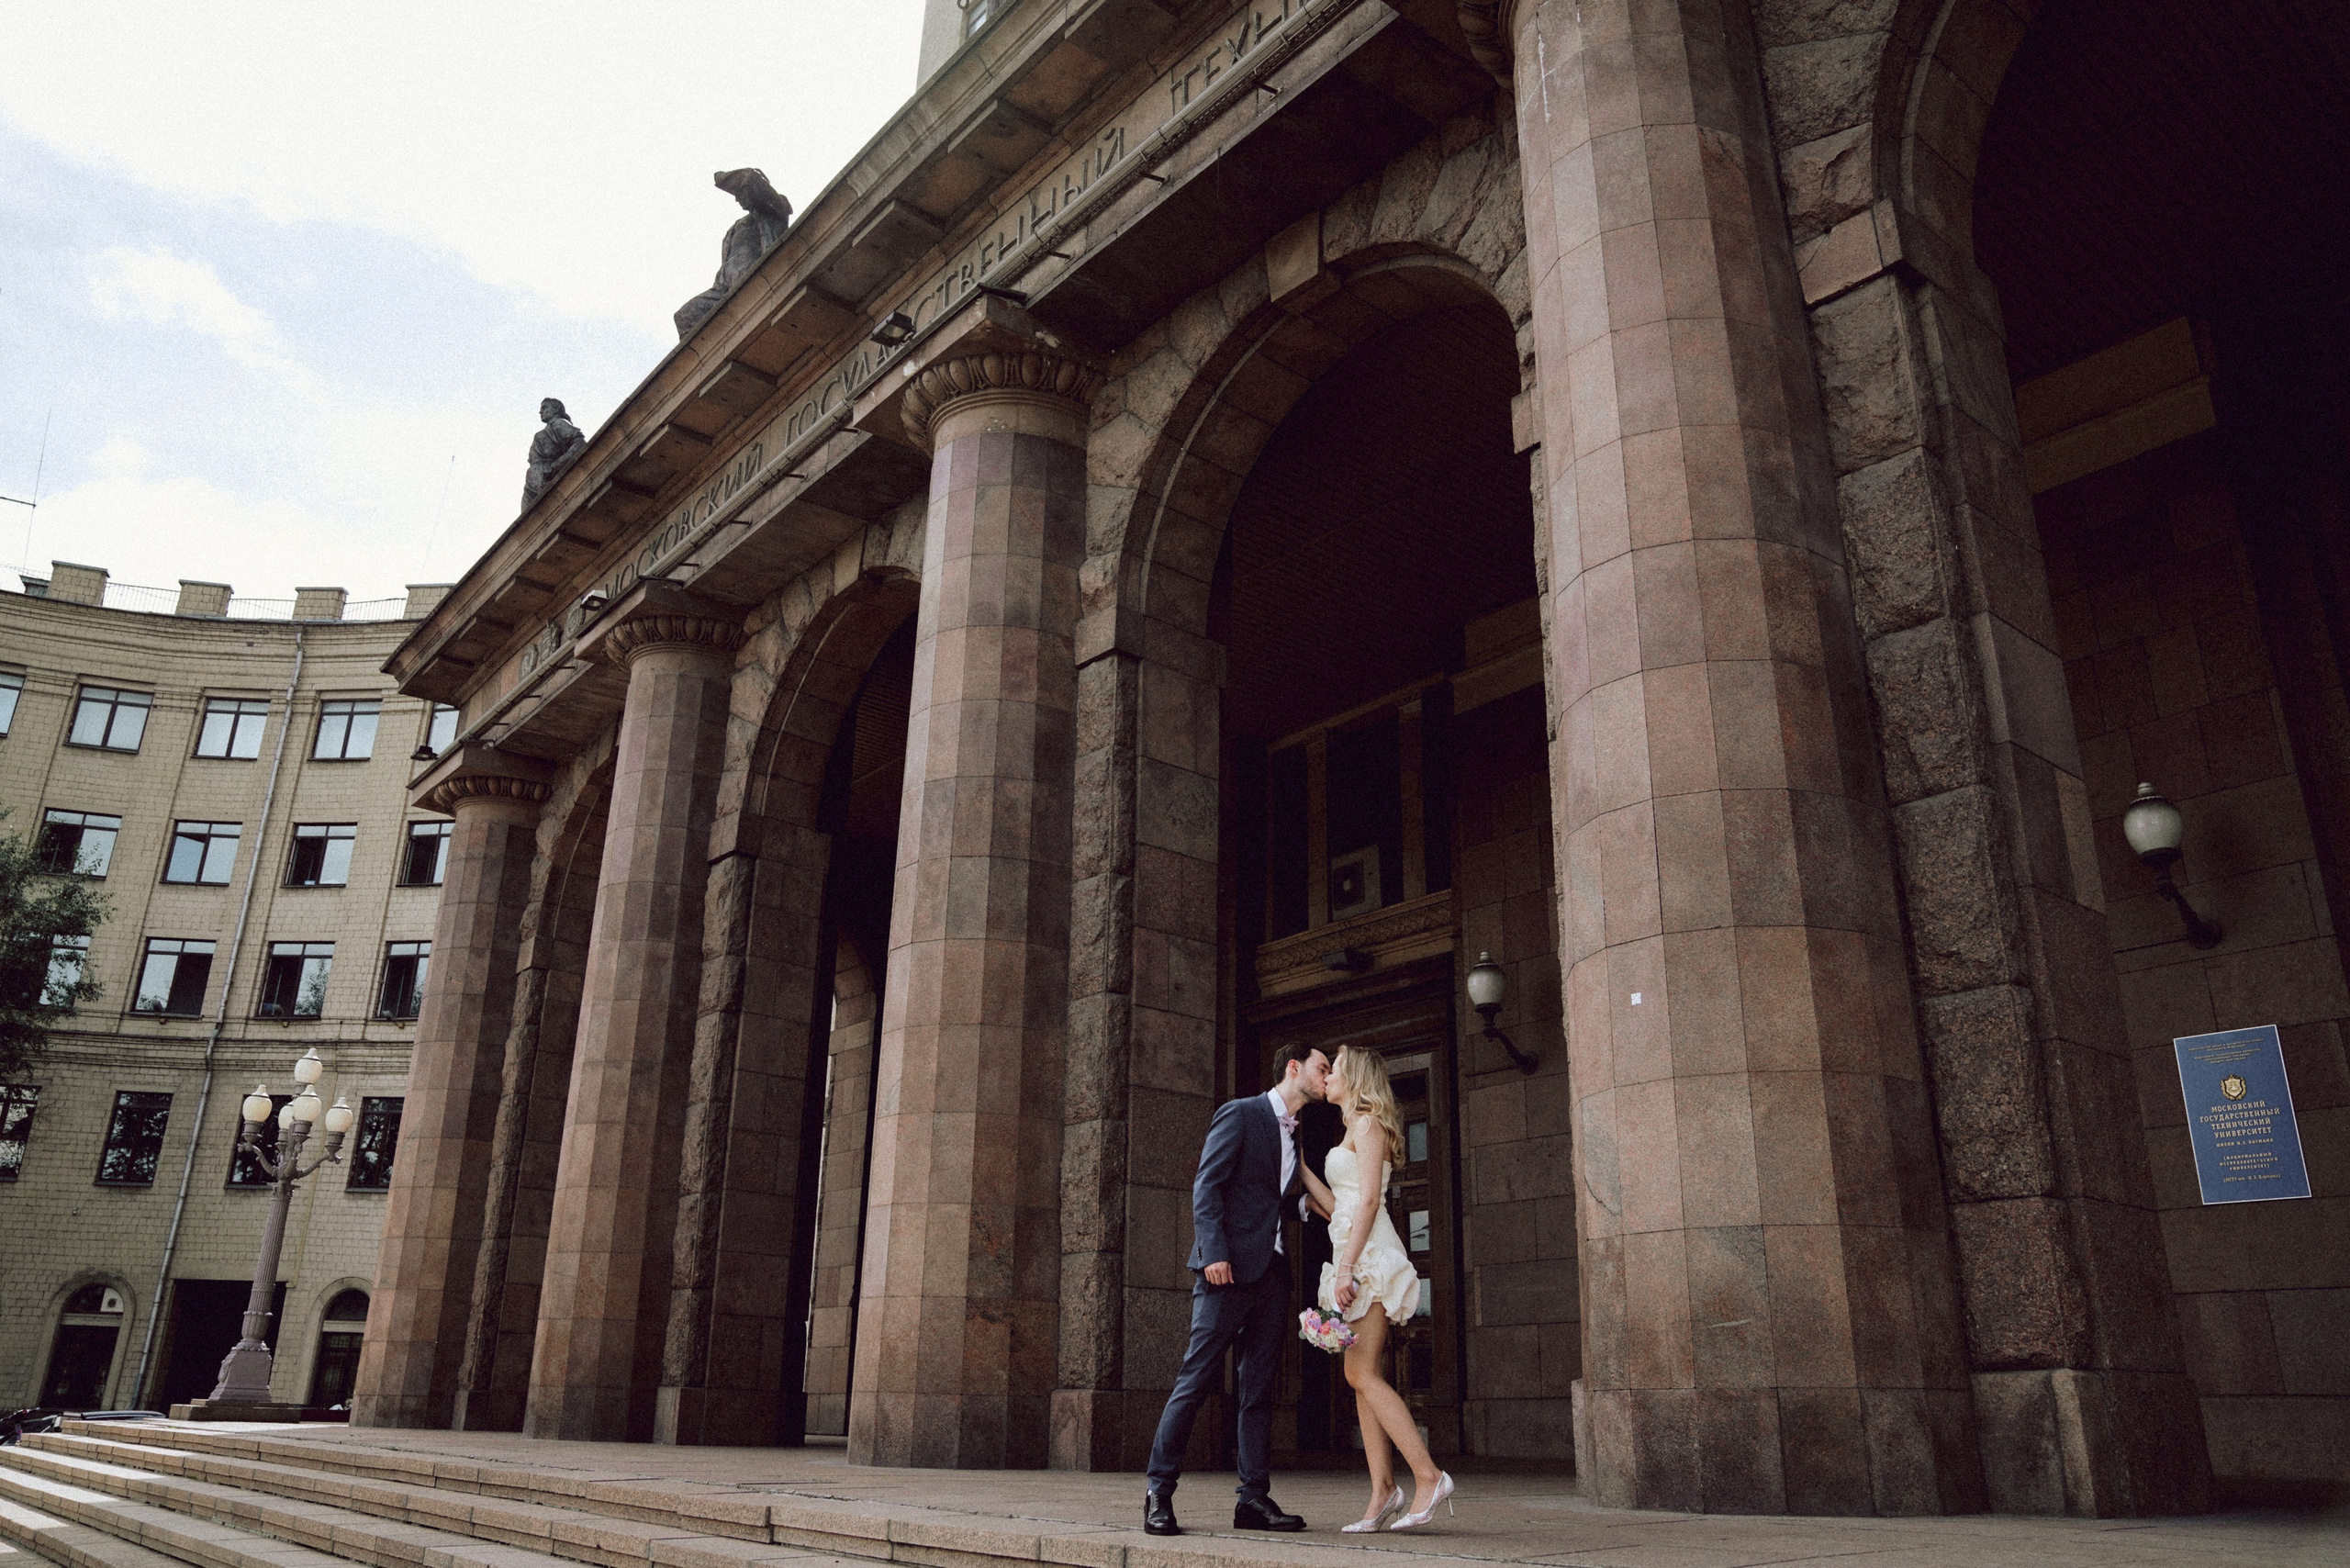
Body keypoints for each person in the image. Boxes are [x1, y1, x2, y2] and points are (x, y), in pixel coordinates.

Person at [1143, 1041, 1329, 1537]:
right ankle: (1158, 1493)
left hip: (1271, 1276)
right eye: (1322, 1068)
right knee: (1196, 1381)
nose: (1328, 1076)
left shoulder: (1297, 1134)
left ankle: (1253, 1500)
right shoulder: (1241, 1114)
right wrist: (1214, 1252)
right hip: (1224, 1273)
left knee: (1258, 1392)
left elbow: (1267, 1200)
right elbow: (1208, 1186)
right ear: (1294, 1068)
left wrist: (1305, 1209)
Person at [1298, 1045, 1453, 1531]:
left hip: (1369, 1258)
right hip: (1352, 1254)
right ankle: (1383, 1491)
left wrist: (1345, 1269)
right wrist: (1298, 1166)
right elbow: (1336, 1203)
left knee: (1363, 1374)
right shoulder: (1350, 1129)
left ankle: (1428, 1477)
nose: (1327, 1077)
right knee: (1358, 1374)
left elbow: (1368, 1201)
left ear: (1356, 1078)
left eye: (1335, 1069)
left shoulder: (1367, 1123)